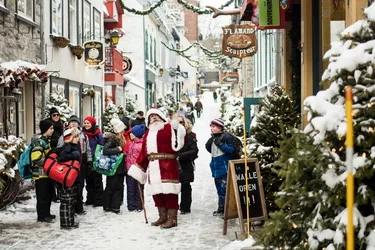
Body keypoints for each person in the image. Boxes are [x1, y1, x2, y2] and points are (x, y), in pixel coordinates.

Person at [128, 107, 186, 229]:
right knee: (157, 193)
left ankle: (172, 218)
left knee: (170, 192)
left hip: (168, 165)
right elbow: (144, 151)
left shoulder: (169, 127)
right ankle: (162, 216)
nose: (153, 118)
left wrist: (177, 126)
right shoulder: (148, 132)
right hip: (153, 165)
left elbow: (179, 138)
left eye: (155, 115)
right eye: (151, 116)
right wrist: (139, 167)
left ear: (161, 117)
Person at [57, 115, 92, 215]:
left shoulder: (83, 135)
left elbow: (88, 149)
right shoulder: (64, 135)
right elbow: (60, 148)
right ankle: (71, 207)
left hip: (81, 161)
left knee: (80, 184)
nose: (73, 124)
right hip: (69, 164)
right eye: (71, 122)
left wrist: (89, 161)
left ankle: (79, 207)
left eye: (75, 122)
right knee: (71, 185)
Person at [205, 118, 235, 217]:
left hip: (224, 168)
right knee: (219, 190)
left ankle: (227, 211)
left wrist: (221, 145)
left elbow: (231, 150)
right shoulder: (213, 138)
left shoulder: (226, 137)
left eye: (213, 127)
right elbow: (213, 151)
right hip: (216, 168)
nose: (211, 129)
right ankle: (221, 209)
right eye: (211, 127)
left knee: (225, 190)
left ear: (219, 127)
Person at [31, 119, 55, 223]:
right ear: (45, 129)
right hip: (40, 174)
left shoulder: (47, 140)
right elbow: (36, 158)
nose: (52, 130)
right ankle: (41, 216)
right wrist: (48, 163)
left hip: (47, 173)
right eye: (51, 128)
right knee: (42, 195)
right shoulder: (39, 141)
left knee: (48, 194)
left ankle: (47, 213)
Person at [57, 128, 81, 229]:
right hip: (66, 178)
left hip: (71, 177)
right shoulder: (67, 146)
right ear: (70, 138)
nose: (78, 138)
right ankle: (65, 223)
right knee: (67, 201)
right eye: (75, 136)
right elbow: (61, 158)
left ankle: (70, 221)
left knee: (71, 200)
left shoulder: (73, 146)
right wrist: (73, 155)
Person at [103, 118, 127, 214]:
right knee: (111, 187)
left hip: (119, 167)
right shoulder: (113, 139)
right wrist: (118, 149)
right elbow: (105, 150)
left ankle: (115, 206)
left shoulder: (120, 138)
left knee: (118, 187)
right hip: (113, 167)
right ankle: (108, 206)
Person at [176, 115, 198, 214]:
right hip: (173, 164)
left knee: (185, 185)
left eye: (181, 122)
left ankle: (185, 207)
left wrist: (181, 155)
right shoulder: (172, 135)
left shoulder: (190, 135)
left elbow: (194, 150)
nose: (180, 125)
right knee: (173, 186)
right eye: (178, 122)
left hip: (185, 163)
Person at [82, 116, 104, 207]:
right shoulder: (82, 134)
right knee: (89, 181)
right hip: (86, 160)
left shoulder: (98, 134)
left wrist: (98, 156)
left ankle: (98, 200)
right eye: (85, 123)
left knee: (97, 181)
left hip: (96, 160)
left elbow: (102, 145)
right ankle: (90, 199)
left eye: (88, 123)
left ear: (92, 124)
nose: (86, 125)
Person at [125, 124, 146, 212]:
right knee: (130, 188)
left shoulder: (141, 145)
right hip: (129, 170)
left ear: (136, 135)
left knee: (139, 188)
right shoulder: (130, 144)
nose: (130, 134)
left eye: (132, 133)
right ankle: (131, 205)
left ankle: (139, 205)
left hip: (138, 170)